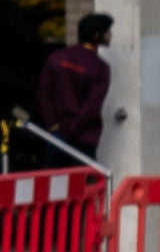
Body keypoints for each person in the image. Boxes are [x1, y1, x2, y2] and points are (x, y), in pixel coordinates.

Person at [33, 13, 114, 159]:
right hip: (84, 138)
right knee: (84, 180)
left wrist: (53, 124)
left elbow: (43, 94)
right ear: (97, 35)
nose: (110, 36)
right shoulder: (100, 68)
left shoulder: (56, 58)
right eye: (107, 31)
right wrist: (72, 130)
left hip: (56, 136)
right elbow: (92, 108)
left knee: (56, 179)